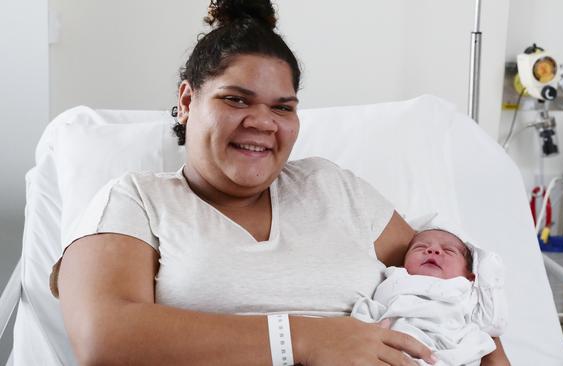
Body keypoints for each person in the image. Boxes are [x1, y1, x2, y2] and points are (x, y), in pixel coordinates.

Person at [52, 0, 510, 364]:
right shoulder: (137, 200)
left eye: (282, 107)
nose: (262, 122)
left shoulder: (334, 188)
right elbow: (104, 336)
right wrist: (306, 338)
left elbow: (452, 296)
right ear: (188, 100)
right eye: (236, 99)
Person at [352, 227, 508, 366]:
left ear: (470, 276)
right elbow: (377, 308)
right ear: (403, 263)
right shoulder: (396, 277)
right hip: (399, 344)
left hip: (448, 349)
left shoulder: (466, 290)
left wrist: (485, 261)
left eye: (448, 250)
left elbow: (495, 324)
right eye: (420, 247)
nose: (433, 250)